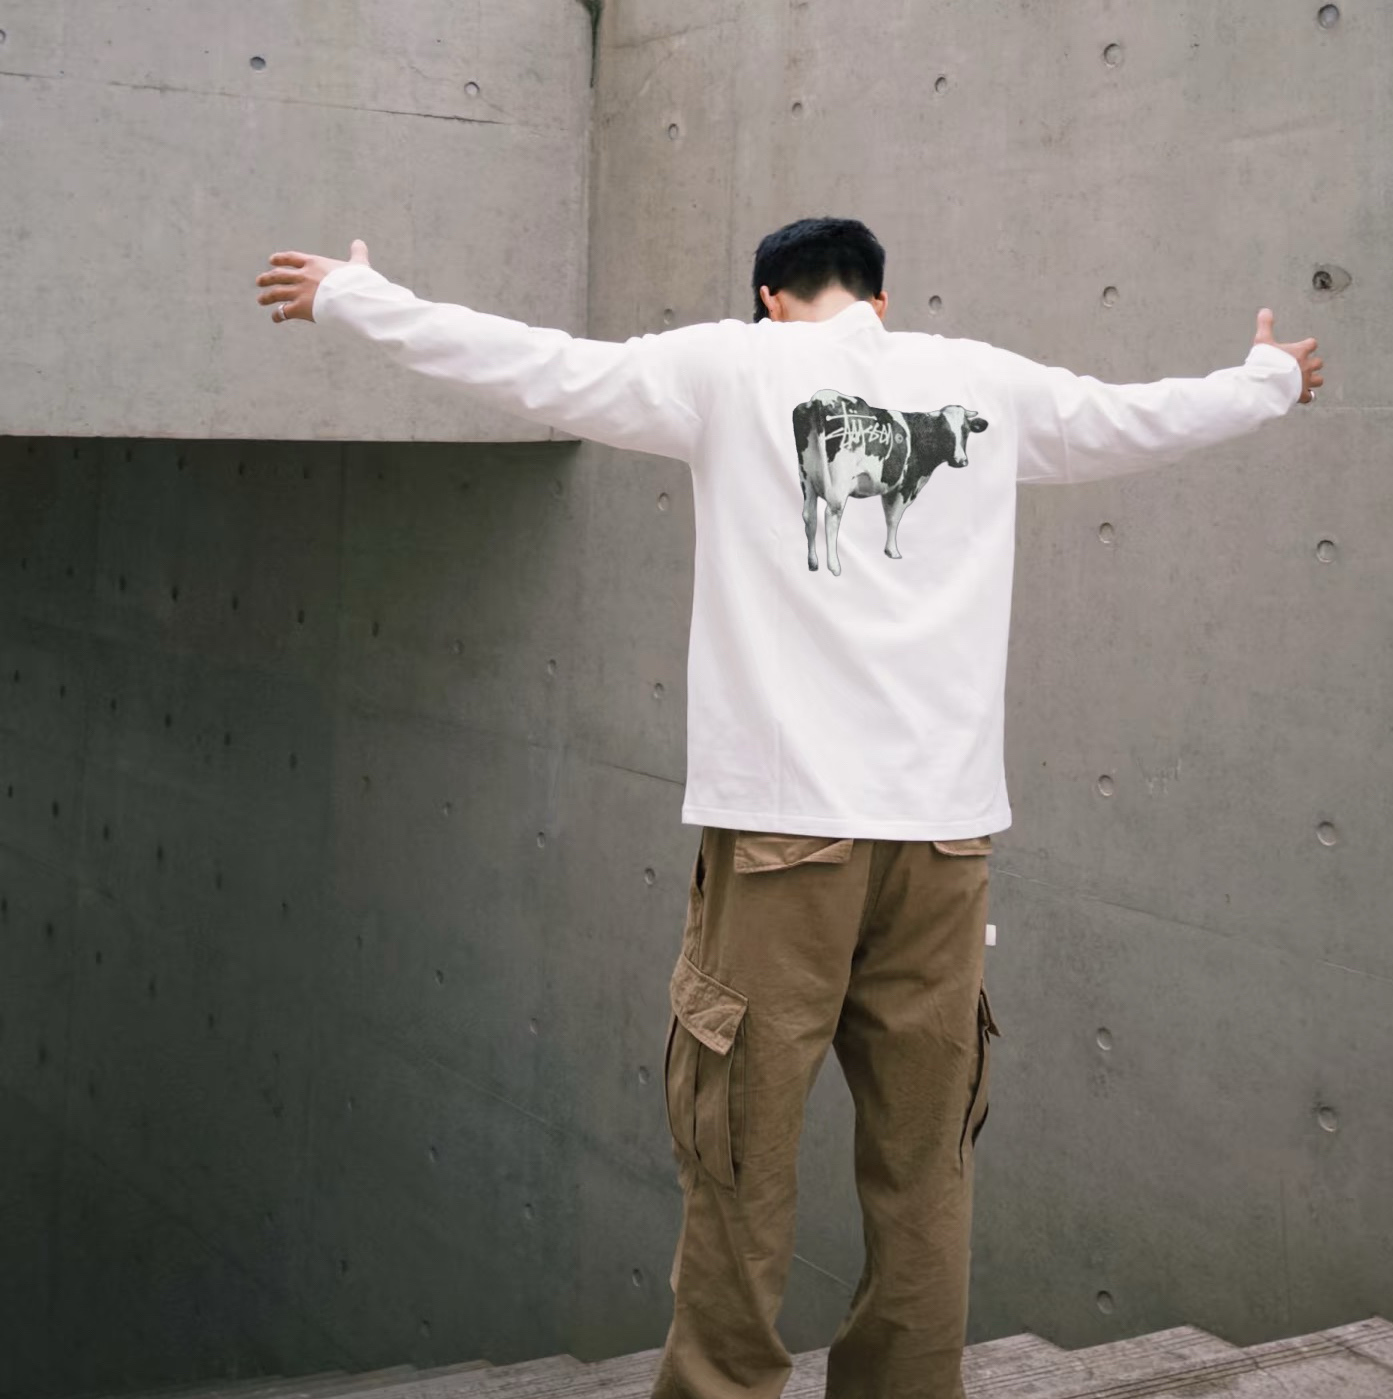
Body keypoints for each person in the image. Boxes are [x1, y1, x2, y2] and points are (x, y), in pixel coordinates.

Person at [254, 218, 1322, 1399]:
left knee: (737, 1158)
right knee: (925, 1166)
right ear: (880, 297)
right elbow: (1142, 418)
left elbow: (536, 365)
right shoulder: (985, 383)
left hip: (783, 839)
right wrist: (1266, 378)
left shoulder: (727, 366)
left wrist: (358, 299)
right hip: (945, 841)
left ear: (768, 295)